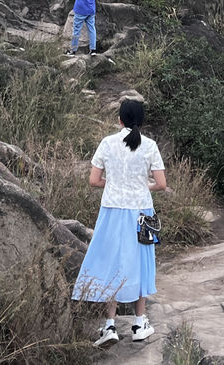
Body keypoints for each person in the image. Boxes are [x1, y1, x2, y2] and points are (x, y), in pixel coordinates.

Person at [72, 99, 167, 347]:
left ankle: (110, 326)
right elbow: (162, 184)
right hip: (141, 212)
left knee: (110, 261)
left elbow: (94, 181)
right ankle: (139, 323)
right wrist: (143, 186)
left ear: (120, 120)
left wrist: (114, 184)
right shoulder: (150, 146)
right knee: (141, 262)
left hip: (112, 211)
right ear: (141, 121)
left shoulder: (107, 143)